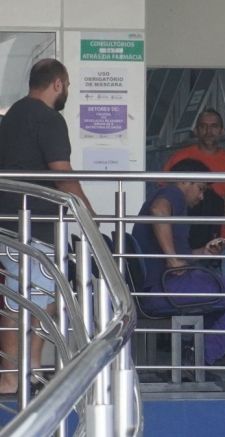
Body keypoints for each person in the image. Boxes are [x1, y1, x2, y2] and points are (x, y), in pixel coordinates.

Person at [0, 58, 95, 394]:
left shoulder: (11, 117)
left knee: (40, 298)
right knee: (22, 302)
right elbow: (62, 173)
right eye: (66, 85)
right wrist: (88, 214)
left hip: (11, 220)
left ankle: (31, 371)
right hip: (33, 225)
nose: (66, 90)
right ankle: (11, 377)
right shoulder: (49, 118)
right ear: (57, 83)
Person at [132, 159, 225, 365]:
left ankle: (196, 355)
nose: (202, 197)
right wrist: (172, 259)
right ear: (185, 181)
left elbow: (177, 256)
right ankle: (198, 359)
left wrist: (203, 251)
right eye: (200, 188)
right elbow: (159, 210)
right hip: (166, 287)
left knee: (223, 303)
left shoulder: (165, 199)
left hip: (155, 289)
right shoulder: (173, 193)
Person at [162, 108, 225, 248]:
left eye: (214, 126)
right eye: (203, 126)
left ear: (222, 131)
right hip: (185, 237)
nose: (208, 131)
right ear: (196, 131)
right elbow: (165, 195)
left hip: (221, 241)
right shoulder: (179, 158)